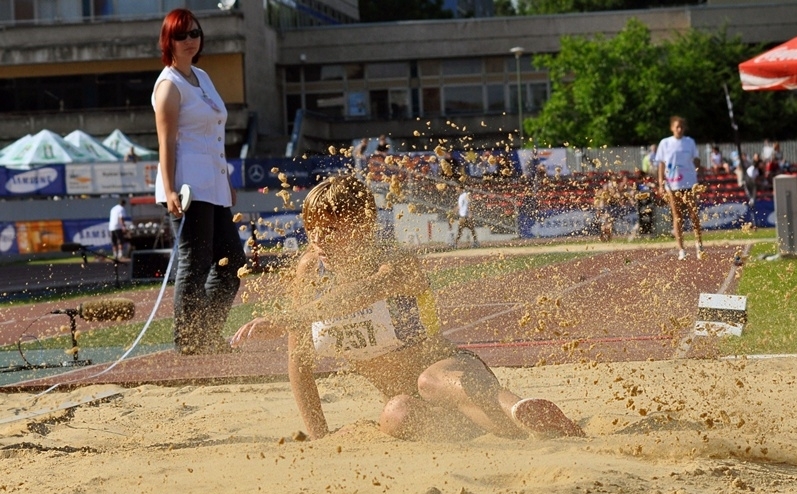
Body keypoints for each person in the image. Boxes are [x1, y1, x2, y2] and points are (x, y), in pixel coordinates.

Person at [231, 174, 583, 441]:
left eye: (331, 228)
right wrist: (319, 436)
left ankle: (525, 411)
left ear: (363, 227)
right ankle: (500, 428)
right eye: (312, 229)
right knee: (396, 412)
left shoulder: (396, 262)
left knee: (430, 380)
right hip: (421, 411)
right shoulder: (310, 271)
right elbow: (300, 361)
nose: (319, 239)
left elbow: (363, 294)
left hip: (454, 374)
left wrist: (292, 318)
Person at [152, 8, 246, 355]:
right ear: (169, 42)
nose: (190, 40)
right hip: (187, 185)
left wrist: (227, 181)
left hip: (214, 182)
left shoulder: (202, 77)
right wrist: (171, 188)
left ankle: (204, 331)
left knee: (232, 260)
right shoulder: (168, 87)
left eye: (194, 33)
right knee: (196, 261)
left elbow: (213, 135)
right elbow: (166, 142)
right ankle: (190, 340)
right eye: (182, 36)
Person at [655, 116, 704, 260]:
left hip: (689, 183)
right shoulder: (665, 143)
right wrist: (660, 183)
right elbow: (661, 164)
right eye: (677, 127)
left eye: (682, 127)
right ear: (672, 128)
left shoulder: (689, 142)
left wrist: (697, 166)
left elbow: (697, 159)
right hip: (673, 184)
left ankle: (699, 245)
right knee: (677, 217)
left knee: (694, 215)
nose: (679, 129)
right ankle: (681, 248)